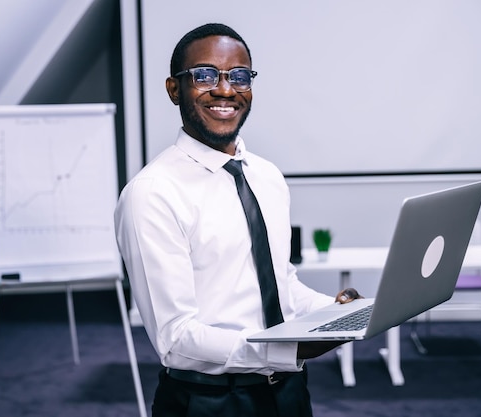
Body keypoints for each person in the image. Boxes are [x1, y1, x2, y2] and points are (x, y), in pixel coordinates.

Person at [114, 23, 362, 417]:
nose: (226, 90)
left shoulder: (267, 177)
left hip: (290, 392)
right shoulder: (152, 194)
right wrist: (286, 348)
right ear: (174, 89)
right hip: (209, 401)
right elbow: (175, 337)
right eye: (205, 75)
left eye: (240, 76)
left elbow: (282, 285)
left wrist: (336, 312)